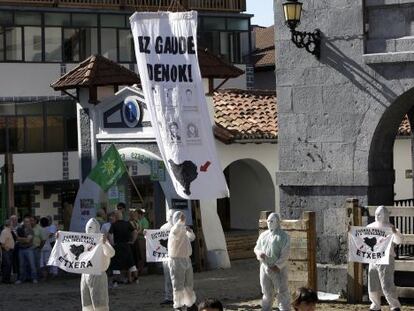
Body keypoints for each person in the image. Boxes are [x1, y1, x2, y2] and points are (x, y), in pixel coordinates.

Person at [367, 206, 402, 311]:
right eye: (378, 214)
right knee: (372, 283)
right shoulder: (369, 227)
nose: (379, 216)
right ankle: (375, 304)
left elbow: (399, 241)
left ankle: (394, 305)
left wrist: (395, 232)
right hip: (373, 259)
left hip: (386, 259)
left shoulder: (391, 227)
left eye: (381, 214)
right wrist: (351, 231)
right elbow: (360, 238)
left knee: (387, 284)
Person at [254, 212, 290, 311]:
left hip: (278, 269)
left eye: (272, 221)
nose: (269, 223)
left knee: (282, 291)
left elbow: (285, 253)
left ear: (278, 222)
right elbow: (257, 248)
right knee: (266, 291)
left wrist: (278, 265)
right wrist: (259, 253)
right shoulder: (263, 235)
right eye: (268, 221)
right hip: (264, 267)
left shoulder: (284, 236)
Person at [81, 218, 115, 311]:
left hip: (98, 274)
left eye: (91, 227)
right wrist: (59, 238)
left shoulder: (101, 239)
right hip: (85, 274)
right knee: (87, 303)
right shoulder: (84, 240)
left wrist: (104, 243)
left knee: (100, 304)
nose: (89, 229)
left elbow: (111, 253)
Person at [168, 211, 197, 311]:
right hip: (176, 260)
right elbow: (176, 230)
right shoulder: (174, 230)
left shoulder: (183, 229)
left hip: (186, 259)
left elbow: (192, 238)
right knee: (178, 284)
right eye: (180, 218)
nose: (183, 219)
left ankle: (190, 304)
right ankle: (178, 306)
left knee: (189, 283)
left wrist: (190, 231)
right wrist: (180, 222)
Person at [108, 210, 137, 286]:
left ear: (116, 217)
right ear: (122, 216)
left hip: (118, 246)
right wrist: (133, 241)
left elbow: (110, 235)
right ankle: (136, 279)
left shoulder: (113, 225)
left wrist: (112, 244)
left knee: (116, 264)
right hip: (127, 245)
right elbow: (135, 232)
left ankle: (115, 282)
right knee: (131, 263)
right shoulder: (128, 224)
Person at [15, 216, 38, 284]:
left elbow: (28, 240)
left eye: (27, 221)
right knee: (21, 265)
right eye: (25, 221)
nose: (26, 223)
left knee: (32, 265)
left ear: (29, 222)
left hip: (29, 249)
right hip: (21, 249)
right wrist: (22, 239)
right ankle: (21, 279)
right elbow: (16, 238)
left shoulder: (31, 230)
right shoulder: (20, 229)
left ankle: (34, 278)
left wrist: (20, 239)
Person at [160, 209, 174, 305]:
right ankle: (171, 296)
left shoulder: (163, 227)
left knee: (170, 277)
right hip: (170, 256)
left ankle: (170, 296)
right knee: (173, 277)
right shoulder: (165, 227)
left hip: (170, 256)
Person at [0, 219, 15, 284]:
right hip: (6, 250)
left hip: (9, 250)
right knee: (7, 265)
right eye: (12, 224)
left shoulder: (9, 231)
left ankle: (7, 279)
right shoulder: (5, 231)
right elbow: (2, 242)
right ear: (9, 224)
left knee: (8, 265)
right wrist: (7, 249)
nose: (13, 225)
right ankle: (5, 280)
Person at [137, 208, 149, 273]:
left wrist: (136, 232)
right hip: (137, 239)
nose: (136, 216)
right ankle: (139, 269)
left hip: (142, 240)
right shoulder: (137, 220)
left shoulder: (145, 221)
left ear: (140, 214)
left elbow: (145, 232)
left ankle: (141, 270)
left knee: (142, 255)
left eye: (137, 214)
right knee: (138, 254)